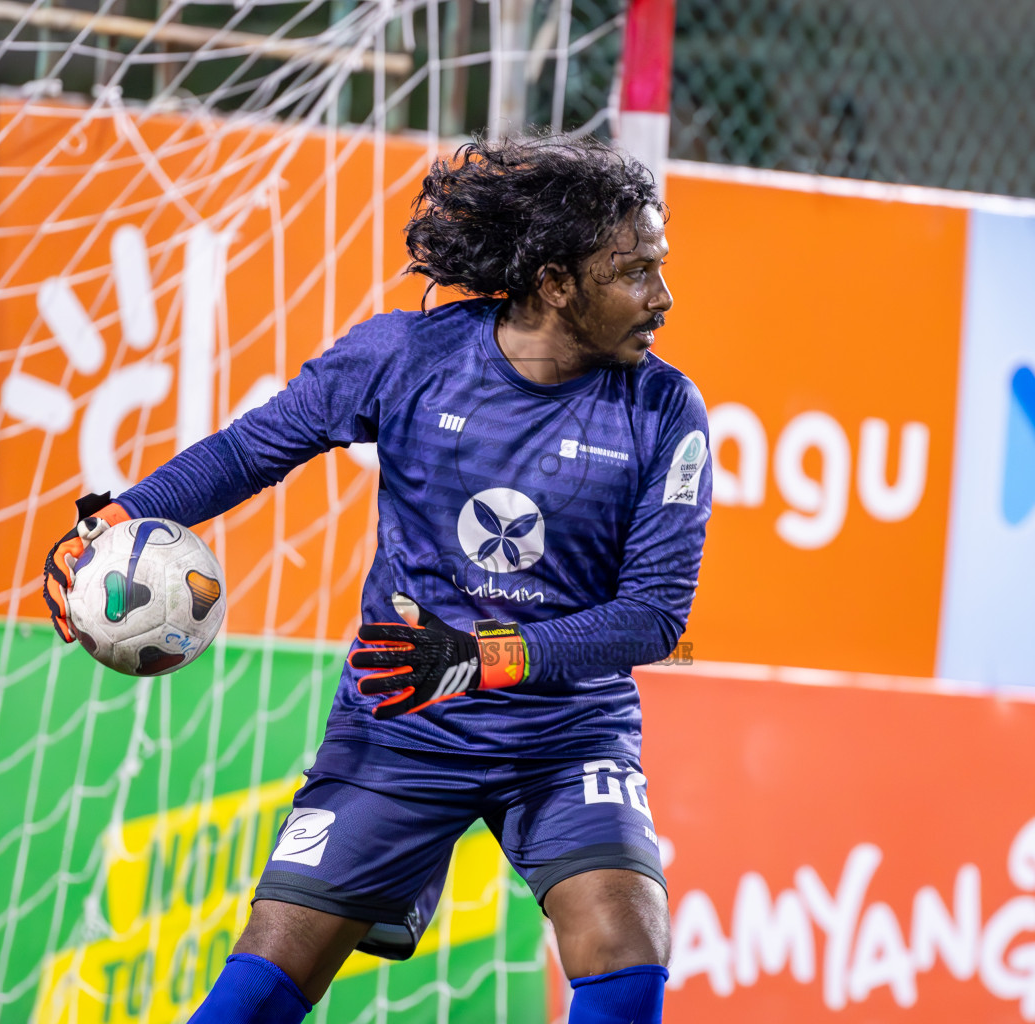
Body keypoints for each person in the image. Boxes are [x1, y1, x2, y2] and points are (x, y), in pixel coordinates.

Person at [41, 133, 711, 1024]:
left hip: (564, 736)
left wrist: (484, 657)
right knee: (254, 993)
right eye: (635, 272)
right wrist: (119, 520)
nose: (663, 298)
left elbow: (655, 618)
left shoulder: (666, 409)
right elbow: (254, 448)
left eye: (659, 269)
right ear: (555, 282)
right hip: (402, 723)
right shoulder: (407, 356)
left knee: (629, 958)